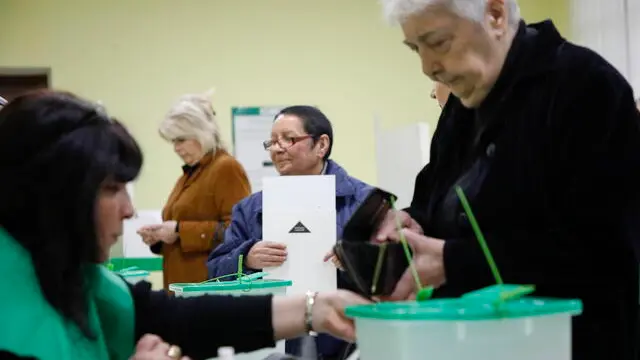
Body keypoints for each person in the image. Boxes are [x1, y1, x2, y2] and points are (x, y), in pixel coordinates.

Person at [0, 91, 369, 360]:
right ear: (50, 193)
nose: (129, 211)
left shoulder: (78, 276)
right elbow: (217, 264)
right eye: (112, 189)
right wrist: (247, 258)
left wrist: (314, 310)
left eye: (289, 140)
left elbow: (174, 316)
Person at [374, 1, 640, 359]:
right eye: (415, 49)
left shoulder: (586, 87)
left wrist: (454, 261)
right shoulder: (460, 108)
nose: (427, 67)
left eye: (438, 42)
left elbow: (604, 252)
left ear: (495, 15)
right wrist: (412, 222)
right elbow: (433, 202)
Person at [207, 105, 373, 359]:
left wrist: (358, 259)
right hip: (275, 333)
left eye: (289, 139)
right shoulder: (250, 209)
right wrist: (246, 257)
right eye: (272, 142)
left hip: (346, 335)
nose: (277, 148)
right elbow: (215, 270)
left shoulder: (363, 201)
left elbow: (395, 272)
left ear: (321, 145)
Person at [138, 90, 251, 289]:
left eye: (180, 140)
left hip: (209, 290)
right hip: (182, 289)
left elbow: (238, 233)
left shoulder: (226, 168)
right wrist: (160, 237)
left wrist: (180, 230)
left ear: (201, 133)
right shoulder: (190, 174)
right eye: (173, 141)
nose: (176, 148)